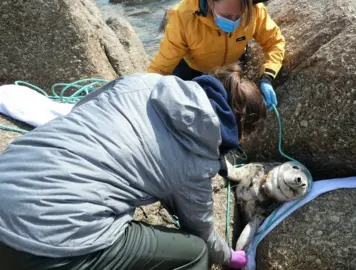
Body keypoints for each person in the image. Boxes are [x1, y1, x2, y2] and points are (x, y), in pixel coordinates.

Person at [0, 64, 267, 270]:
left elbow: (82, 110)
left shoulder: (144, 81)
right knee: (195, 253)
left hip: (8, 175)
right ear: (240, 129)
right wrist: (230, 256)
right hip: (43, 242)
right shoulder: (198, 163)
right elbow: (202, 231)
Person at [147, 0, 286, 109]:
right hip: (192, 71)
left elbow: (275, 42)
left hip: (229, 71)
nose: (233, 21)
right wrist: (145, 92)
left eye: (239, 16)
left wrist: (267, 77)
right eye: (227, 16)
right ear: (210, 2)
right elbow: (161, 67)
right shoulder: (184, 17)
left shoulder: (254, 10)